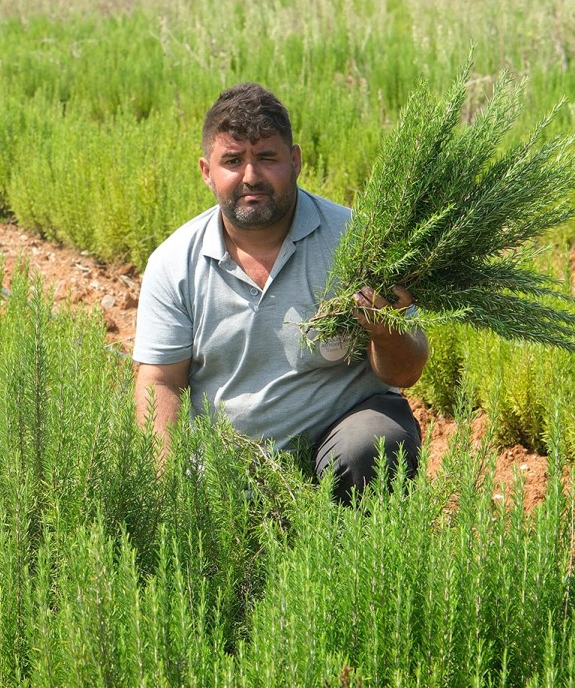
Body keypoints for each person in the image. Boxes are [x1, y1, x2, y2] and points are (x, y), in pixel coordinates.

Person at [133, 82, 429, 502]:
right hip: (228, 462)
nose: (250, 176)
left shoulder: (359, 242)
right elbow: (160, 380)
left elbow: (407, 372)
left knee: (375, 443)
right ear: (206, 172)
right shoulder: (175, 262)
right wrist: (160, 487)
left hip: (340, 442)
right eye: (232, 161)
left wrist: (385, 329)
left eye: (267, 158)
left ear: (295, 161)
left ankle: (361, 559)